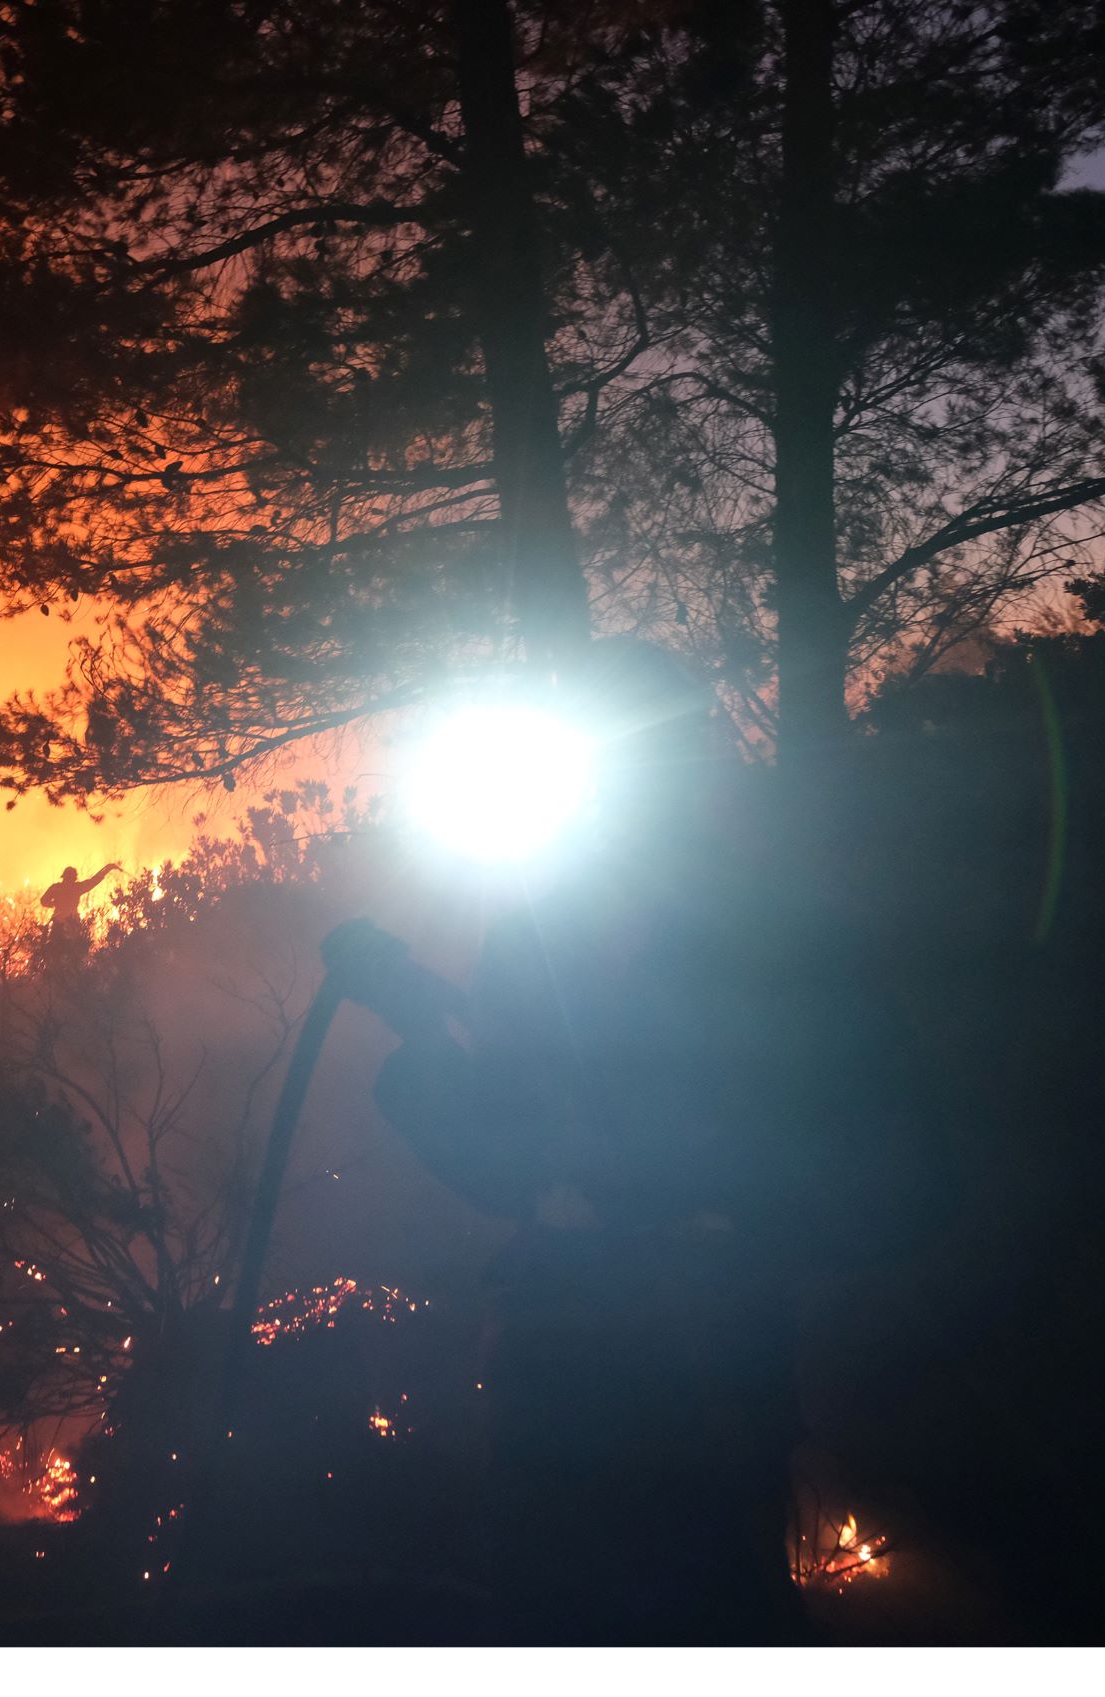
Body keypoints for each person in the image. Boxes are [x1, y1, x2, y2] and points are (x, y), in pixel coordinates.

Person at [320, 642, 826, 1641]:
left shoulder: (767, 935)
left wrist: (695, 1212)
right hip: (562, 1369)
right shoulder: (536, 930)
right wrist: (421, 1032)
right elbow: (506, 1158)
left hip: (703, 1366)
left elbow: (859, 1159)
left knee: (709, 1611)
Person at [38, 861, 120, 968]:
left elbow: (43, 901)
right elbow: (94, 881)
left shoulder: (56, 888)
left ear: (64, 877)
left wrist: (53, 904)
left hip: (60, 924)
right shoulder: (77, 887)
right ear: (73, 878)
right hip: (72, 925)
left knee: (56, 953)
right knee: (73, 953)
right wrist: (108, 868)